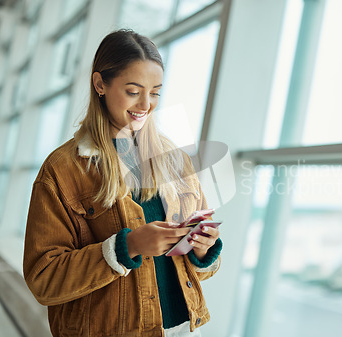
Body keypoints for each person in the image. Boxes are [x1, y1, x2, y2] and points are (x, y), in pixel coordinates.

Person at [23, 29, 222, 337]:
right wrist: (127, 247)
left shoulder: (176, 160)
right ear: (100, 84)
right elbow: (44, 279)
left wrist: (203, 250)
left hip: (180, 328)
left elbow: (198, 269)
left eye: (155, 92)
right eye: (133, 91)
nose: (146, 104)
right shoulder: (62, 169)